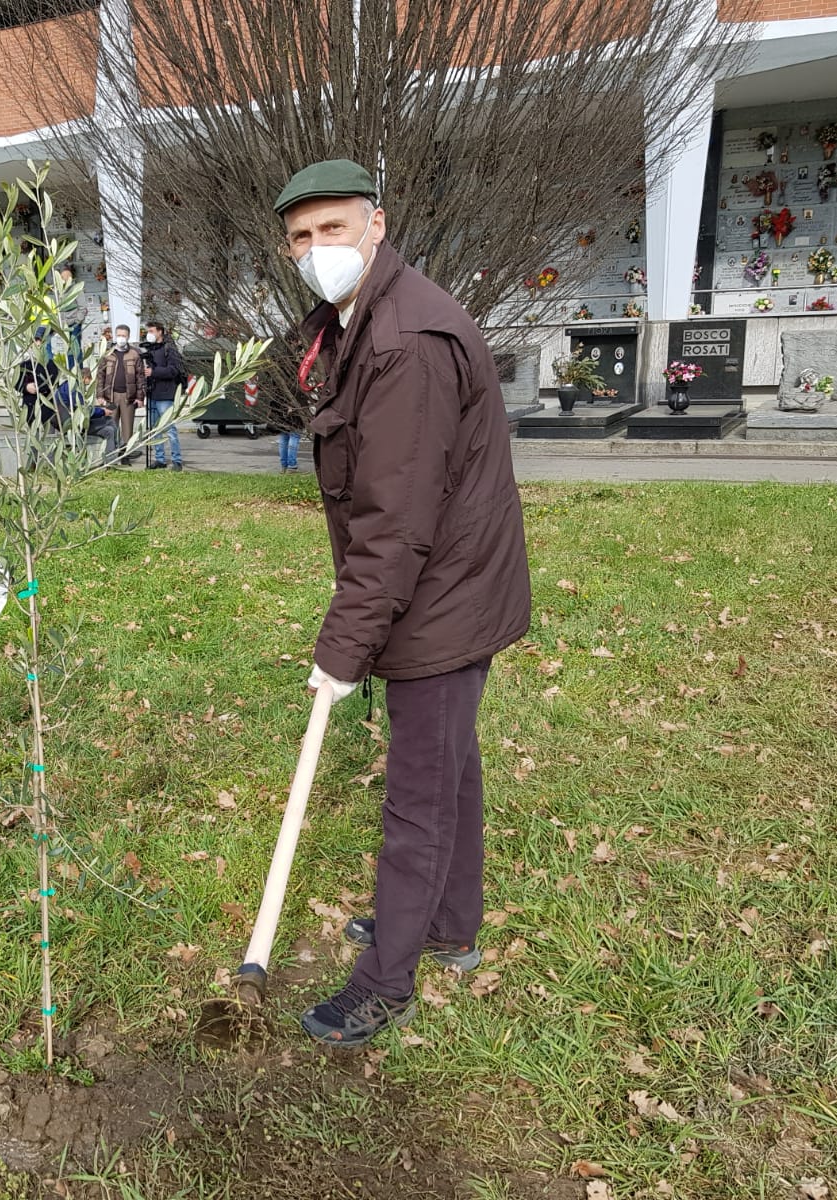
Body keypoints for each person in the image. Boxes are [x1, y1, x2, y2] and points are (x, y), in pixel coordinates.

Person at [273, 160, 531, 1047]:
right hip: (439, 582)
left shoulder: (406, 342)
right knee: (450, 765)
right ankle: (451, 926)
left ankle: (388, 981)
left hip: (442, 593)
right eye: (301, 237)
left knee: (419, 792)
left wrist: (341, 649)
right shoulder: (360, 320)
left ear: (376, 225)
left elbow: (396, 521)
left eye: (333, 229)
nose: (317, 250)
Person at [96, 324, 145, 464]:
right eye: (119, 335)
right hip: (110, 397)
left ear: (128, 336)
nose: (121, 338)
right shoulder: (107, 353)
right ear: (114, 336)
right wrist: (99, 395)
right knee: (110, 426)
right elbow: (100, 376)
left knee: (127, 428)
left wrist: (140, 397)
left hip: (128, 397)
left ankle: (125, 456)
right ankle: (110, 456)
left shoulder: (135, 354)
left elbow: (140, 377)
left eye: (124, 335)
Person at [141, 320, 186, 471]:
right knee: (155, 429)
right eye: (148, 331)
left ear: (160, 331)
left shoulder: (170, 349)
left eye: (152, 331)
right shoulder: (151, 349)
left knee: (169, 428)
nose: (149, 334)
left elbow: (173, 370)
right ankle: (159, 459)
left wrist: (154, 372)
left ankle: (176, 460)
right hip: (152, 393)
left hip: (165, 394)